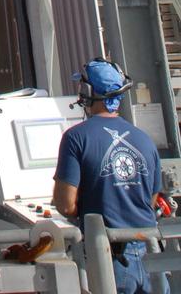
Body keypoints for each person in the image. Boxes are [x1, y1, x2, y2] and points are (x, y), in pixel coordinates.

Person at [53, 58, 164, 294]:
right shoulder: (144, 139)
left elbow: (65, 204)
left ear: (88, 92)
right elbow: (151, 200)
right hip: (151, 254)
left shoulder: (76, 138)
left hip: (109, 258)